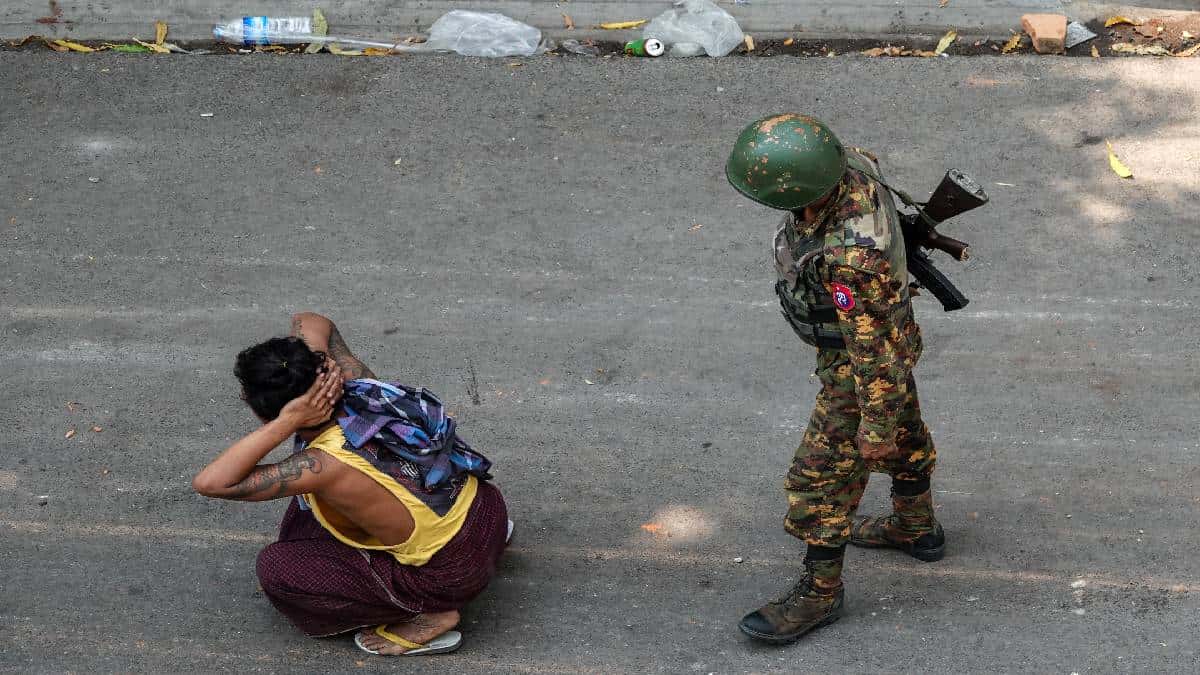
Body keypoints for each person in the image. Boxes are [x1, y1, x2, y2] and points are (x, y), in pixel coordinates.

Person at [725, 114, 945, 644]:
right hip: (885, 335)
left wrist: (872, 424)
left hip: (860, 364)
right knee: (904, 430)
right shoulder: (847, 162)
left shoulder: (850, 260)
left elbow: (873, 354)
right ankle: (915, 527)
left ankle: (819, 595)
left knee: (818, 482)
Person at [192, 312, 510, 657]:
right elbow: (311, 319)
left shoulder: (324, 465)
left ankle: (431, 615)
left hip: (454, 574)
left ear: (265, 411)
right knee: (304, 514)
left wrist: (287, 422)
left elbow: (212, 483)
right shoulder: (360, 386)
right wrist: (322, 365)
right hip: (486, 511)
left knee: (278, 568)